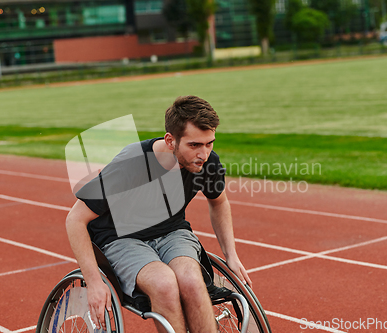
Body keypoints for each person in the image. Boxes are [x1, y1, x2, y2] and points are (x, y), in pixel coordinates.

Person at [65, 95, 252, 333]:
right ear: (170, 140)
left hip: (172, 231)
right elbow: (75, 219)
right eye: (194, 145)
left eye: (209, 143)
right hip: (122, 237)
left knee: (193, 282)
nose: (203, 154)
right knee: (164, 283)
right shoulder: (131, 163)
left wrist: (231, 255)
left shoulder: (207, 163)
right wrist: (93, 282)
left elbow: (219, 202)